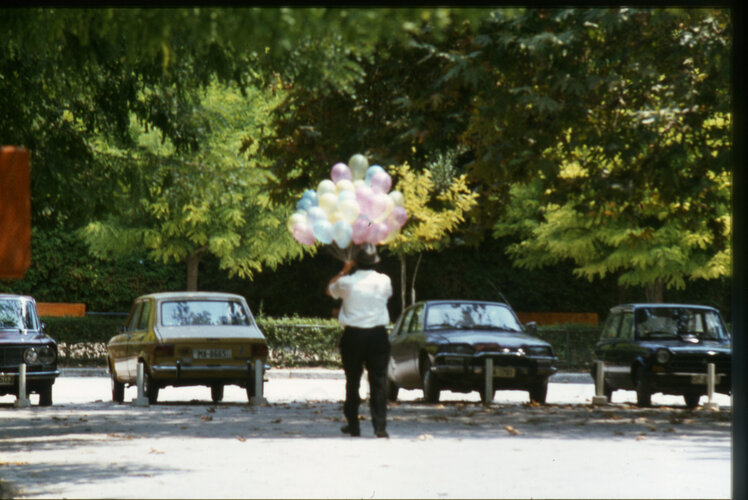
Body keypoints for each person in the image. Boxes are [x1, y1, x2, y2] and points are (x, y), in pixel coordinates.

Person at [327, 243, 393, 438]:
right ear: (375, 262)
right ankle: (380, 426)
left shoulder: (346, 282)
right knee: (379, 382)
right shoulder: (384, 280)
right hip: (378, 334)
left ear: (355, 262)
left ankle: (353, 424)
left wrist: (343, 270)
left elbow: (329, 290)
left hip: (353, 335)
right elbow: (387, 296)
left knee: (352, 380)